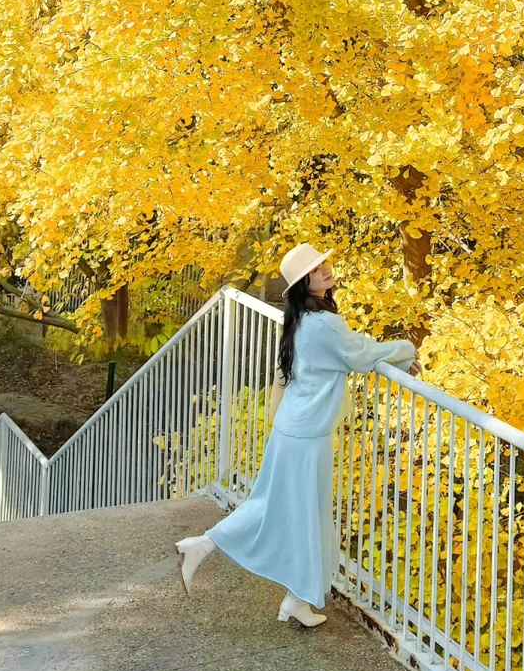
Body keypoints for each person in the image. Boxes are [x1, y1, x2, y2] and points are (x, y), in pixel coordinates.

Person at [175, 243, 419, 627]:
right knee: (291, 512)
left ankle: (298, 600)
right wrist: (407, 349)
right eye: (315, 268)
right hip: (306, 437)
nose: (325, 270)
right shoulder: (323, 324)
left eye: (325, 263)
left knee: (297, 512)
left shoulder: (303, 320)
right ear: (303, 284)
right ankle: (202, 546)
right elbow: (361, 354)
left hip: (294, 429)